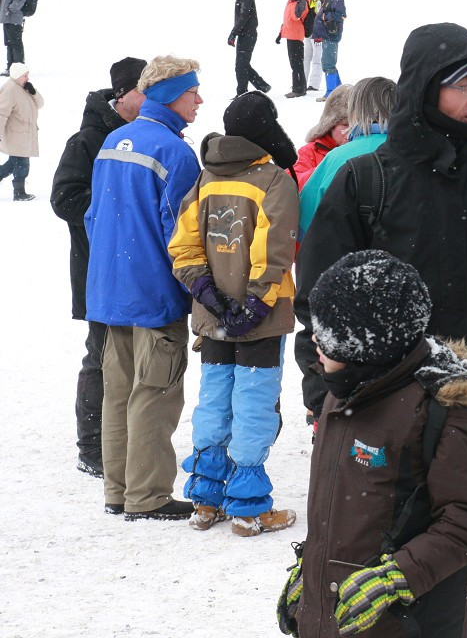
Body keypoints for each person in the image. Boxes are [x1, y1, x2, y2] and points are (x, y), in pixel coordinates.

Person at [295, 22, 467, 638]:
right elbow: (319, 301)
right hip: (382, 413)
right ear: (425, 88)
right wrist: (323, 390)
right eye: (465, 83)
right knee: (379, 559)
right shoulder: (365, 180)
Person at [281, 250, 467, 637]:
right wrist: (310, 574)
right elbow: (339, 508)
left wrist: (395, 578)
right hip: (337, 615)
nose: (314, 338)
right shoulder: (338, 393)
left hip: (408, 622)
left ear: (366, 342)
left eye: (328, 330)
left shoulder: (439, 409)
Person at [169, 91, 299, 537]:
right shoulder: (272, 179)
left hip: (213, 315)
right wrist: (256, 302)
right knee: (254, 403)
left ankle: (206, 497)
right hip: (259, 317)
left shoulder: (205, 179)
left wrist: (206, 290)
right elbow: (276, 247)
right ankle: (248, 503)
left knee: (214, 400)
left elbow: (183, 245)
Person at [84, 55, 203, 521]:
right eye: (194, 92)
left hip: (111, 291)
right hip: (154, 293)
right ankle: (148, 496)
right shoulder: (174, 151)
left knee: (119, 392)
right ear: (173, 95)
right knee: (154, 392)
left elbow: (94, 217)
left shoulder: (114, 140)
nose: (199, 100)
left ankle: (118, 490)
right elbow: (182, 230)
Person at [51, 57, 147, 477]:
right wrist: (118, 210)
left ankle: (125, 438)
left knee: (139, 359)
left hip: (141, 267)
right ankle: (91, 447)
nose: (149, 100)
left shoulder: (147, 135)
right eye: (143, 91)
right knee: (103, 355)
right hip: (99, 269)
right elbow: (64, 198)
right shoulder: (87, 140)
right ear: (122, 95)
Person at [298, 76, 395, 238]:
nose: (348, 130)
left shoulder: (336, 158)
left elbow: (306, 224)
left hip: (344, 252)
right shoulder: (418, 151)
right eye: (344, 125)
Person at [0, 63, 44, 201]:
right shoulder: (9, 90)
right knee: (22, 165)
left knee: (14, 163)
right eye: (25, 75)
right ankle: (19, 193)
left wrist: (34, 92)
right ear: (17, 76)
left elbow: (40, 104)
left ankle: (17, 190)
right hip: (16, 136)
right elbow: (1, 114)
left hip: (25, 135)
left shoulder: (24, 87)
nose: (27, 78)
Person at [294, 83, 350, 190]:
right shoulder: (310, 151)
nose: (351, 131)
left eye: (356, 125)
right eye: (345, 125)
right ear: (331, 125)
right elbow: (292, 182)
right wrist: (327, 169)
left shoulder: (365, 148)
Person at [229, 0, 271, 98]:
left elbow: (243, 17)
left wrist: (233, 33)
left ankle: (242, 92)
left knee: (241, 65)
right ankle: (262, 85)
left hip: (248, 35)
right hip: (244, 34)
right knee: (243, 64)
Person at [314, 0, 345, 101]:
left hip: (331, 34)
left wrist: (326, 17)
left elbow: (340, 14)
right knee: (328, 62)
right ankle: (338, 90)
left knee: (328, 64)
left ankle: (331, 93)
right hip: (328, 34)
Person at [279, 0, 309, 99]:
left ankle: (299, 89)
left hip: (296, 34)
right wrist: (281, 32)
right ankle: (298, 87)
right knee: (294, 63)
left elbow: (296, 17)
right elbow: (287, 20)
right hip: (290, 34)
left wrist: (298, 0)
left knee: (297, 63)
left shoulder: (300, 0)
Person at [2, 0, 27, 73]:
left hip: (14, 18)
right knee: (9, 43)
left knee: (16, 43)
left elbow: (20, 0)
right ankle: (11, 68)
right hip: (7, 18)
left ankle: (19, 69)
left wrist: (9, 9)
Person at [302, 0, 323, 93]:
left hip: (317, 35)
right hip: (308, 33)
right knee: (306, 58)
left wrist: (319, 33)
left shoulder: (320, 0)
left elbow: (321, 19)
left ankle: (314, 84)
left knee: (316, 59)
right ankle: (302, 83)